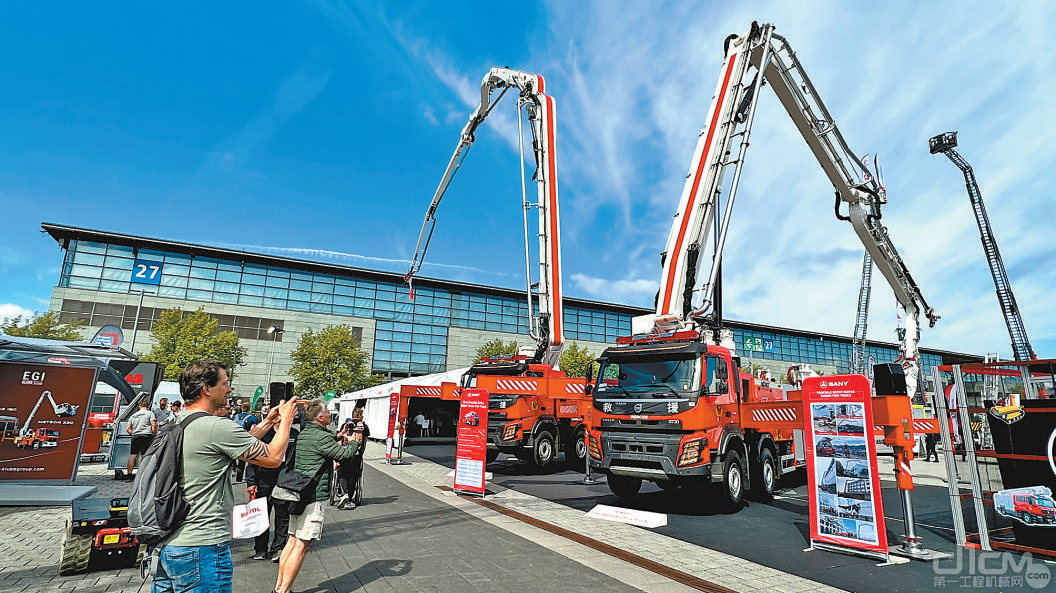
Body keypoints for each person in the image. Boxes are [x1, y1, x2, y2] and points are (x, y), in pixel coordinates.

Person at [151, 359, 298, 593]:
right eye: (225, 383)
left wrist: (269, 422)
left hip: (169, 545)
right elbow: (273, 457)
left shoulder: (177, 421)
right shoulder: (216, 427)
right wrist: (287, 420)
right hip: (203, 546)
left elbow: (238, 444)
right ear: (206, 389)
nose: (229, 389)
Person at [274, 399, 362, 593]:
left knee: (291, 541)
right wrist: (355, 443)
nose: (331, 414)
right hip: (313, 495)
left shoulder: (307, 433)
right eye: (328, 412)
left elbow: (324, 439)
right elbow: (344, 455)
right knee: (301, 545)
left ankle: (280, 588)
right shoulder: (321, 438)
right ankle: (283, 591)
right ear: (321, 417)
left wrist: (338, 434)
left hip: (298, 492)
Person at [245, 407, 294, 562]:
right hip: (263, 481)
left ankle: (278, 548)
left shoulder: (293, 435)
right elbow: (251, 459)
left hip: (284, 481)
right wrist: (251, 482)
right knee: (261, 516)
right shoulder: (264, 434)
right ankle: (260, 549)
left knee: (282, 517)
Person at [335, 408, 370, 510]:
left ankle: (343, 493)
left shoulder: (345, 425)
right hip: (356, 454)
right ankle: (350, 497)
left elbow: (340, 439)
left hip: (344, 453)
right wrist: (362, 453)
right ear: (359, 415)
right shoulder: (364, 427)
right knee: (354, 475)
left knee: (342, 473)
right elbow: (364, 442)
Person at [125, 400, 157, 481]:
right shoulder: (150, 413)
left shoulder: (133, 415)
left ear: (139, 406)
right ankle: (144, 475)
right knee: (145, 456)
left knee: (132, 455)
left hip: (136, 436)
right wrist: (155, 434)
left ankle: (129, 475)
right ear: (148, 406)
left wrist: (134, 433)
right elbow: (154, 425)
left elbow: (128, 429)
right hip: (146, 436)